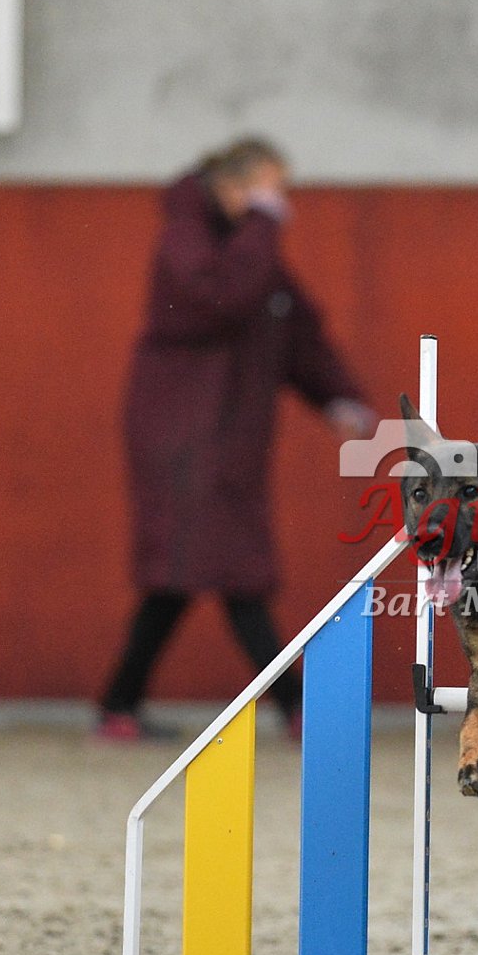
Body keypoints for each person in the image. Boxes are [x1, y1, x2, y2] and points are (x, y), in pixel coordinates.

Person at [97, 137, 375, 743]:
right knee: (233, 573)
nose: (278, 205)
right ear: (232, 187)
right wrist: (263, 226)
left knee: (185, 574)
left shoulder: (251, 250)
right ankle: (296, 707)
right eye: (269, 190)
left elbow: (294, 327)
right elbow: (219, 297)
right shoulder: (189, 238)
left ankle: (119, 706)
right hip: (182, 437)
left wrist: (338, 396)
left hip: (223, 437)